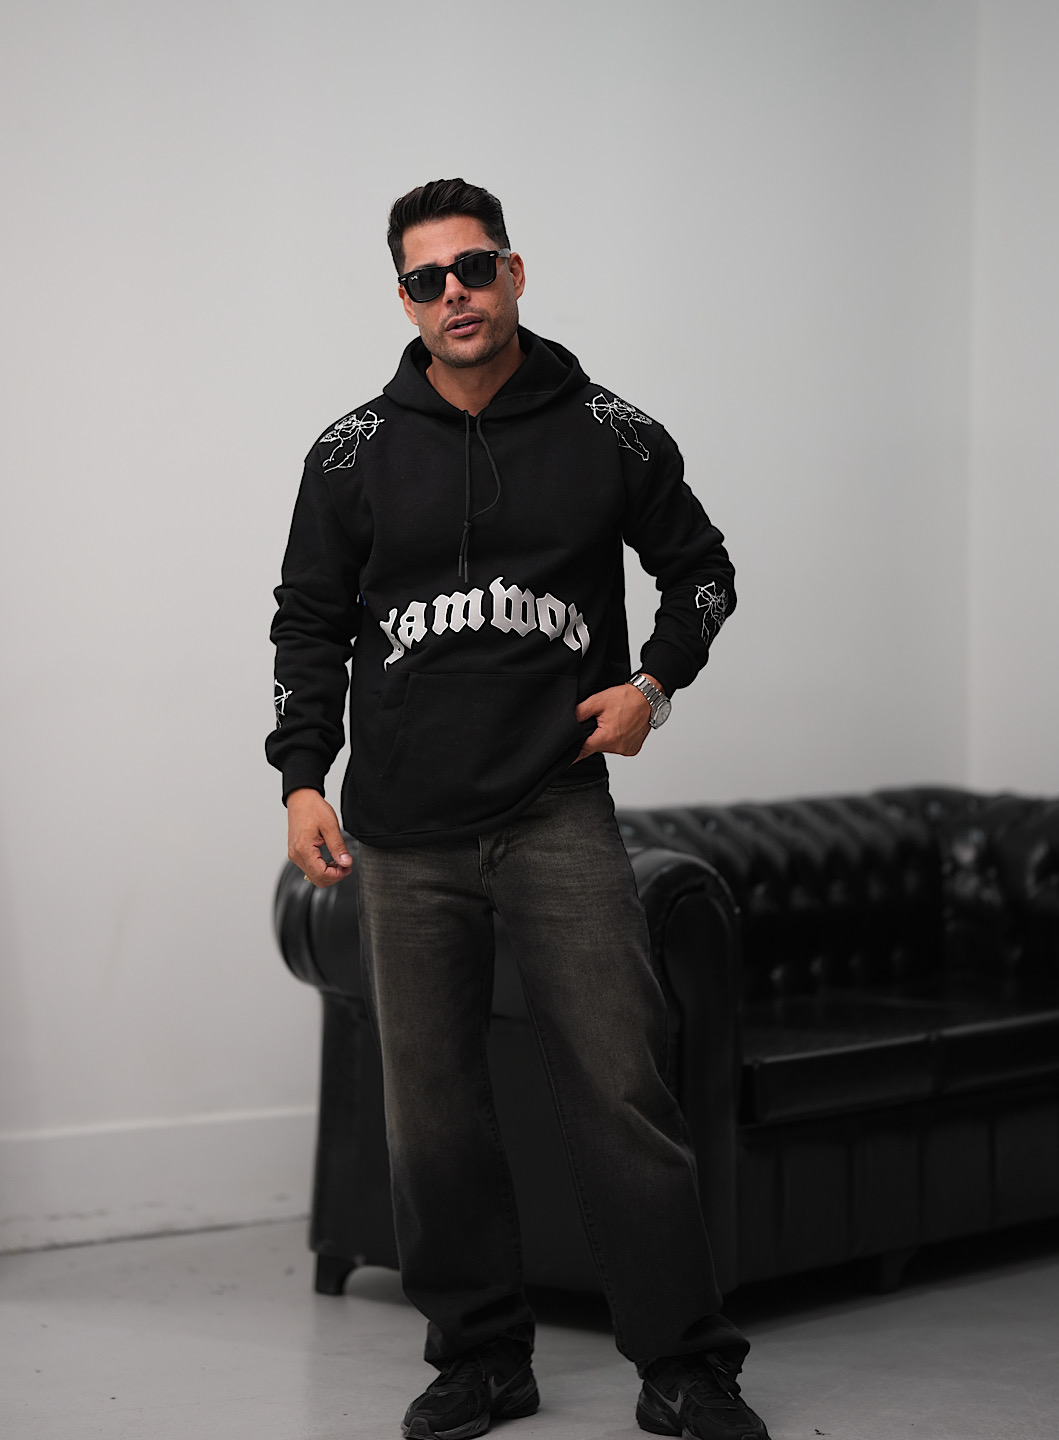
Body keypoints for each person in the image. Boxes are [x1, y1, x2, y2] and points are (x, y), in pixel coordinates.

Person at [266, 178, 770, 1440]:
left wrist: (654, 685)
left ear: (516, 272)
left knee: (621, 1089)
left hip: (556, 809)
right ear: (403, 299)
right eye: (427, 279)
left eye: (474, 268)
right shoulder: (349, 453)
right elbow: (307, 623)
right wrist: (300, 777)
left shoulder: (611, 431)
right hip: (402, 830)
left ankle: (685, 1366)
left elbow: (704, 572)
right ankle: (482, 1358)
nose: (456, 295)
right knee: (432, 1114)